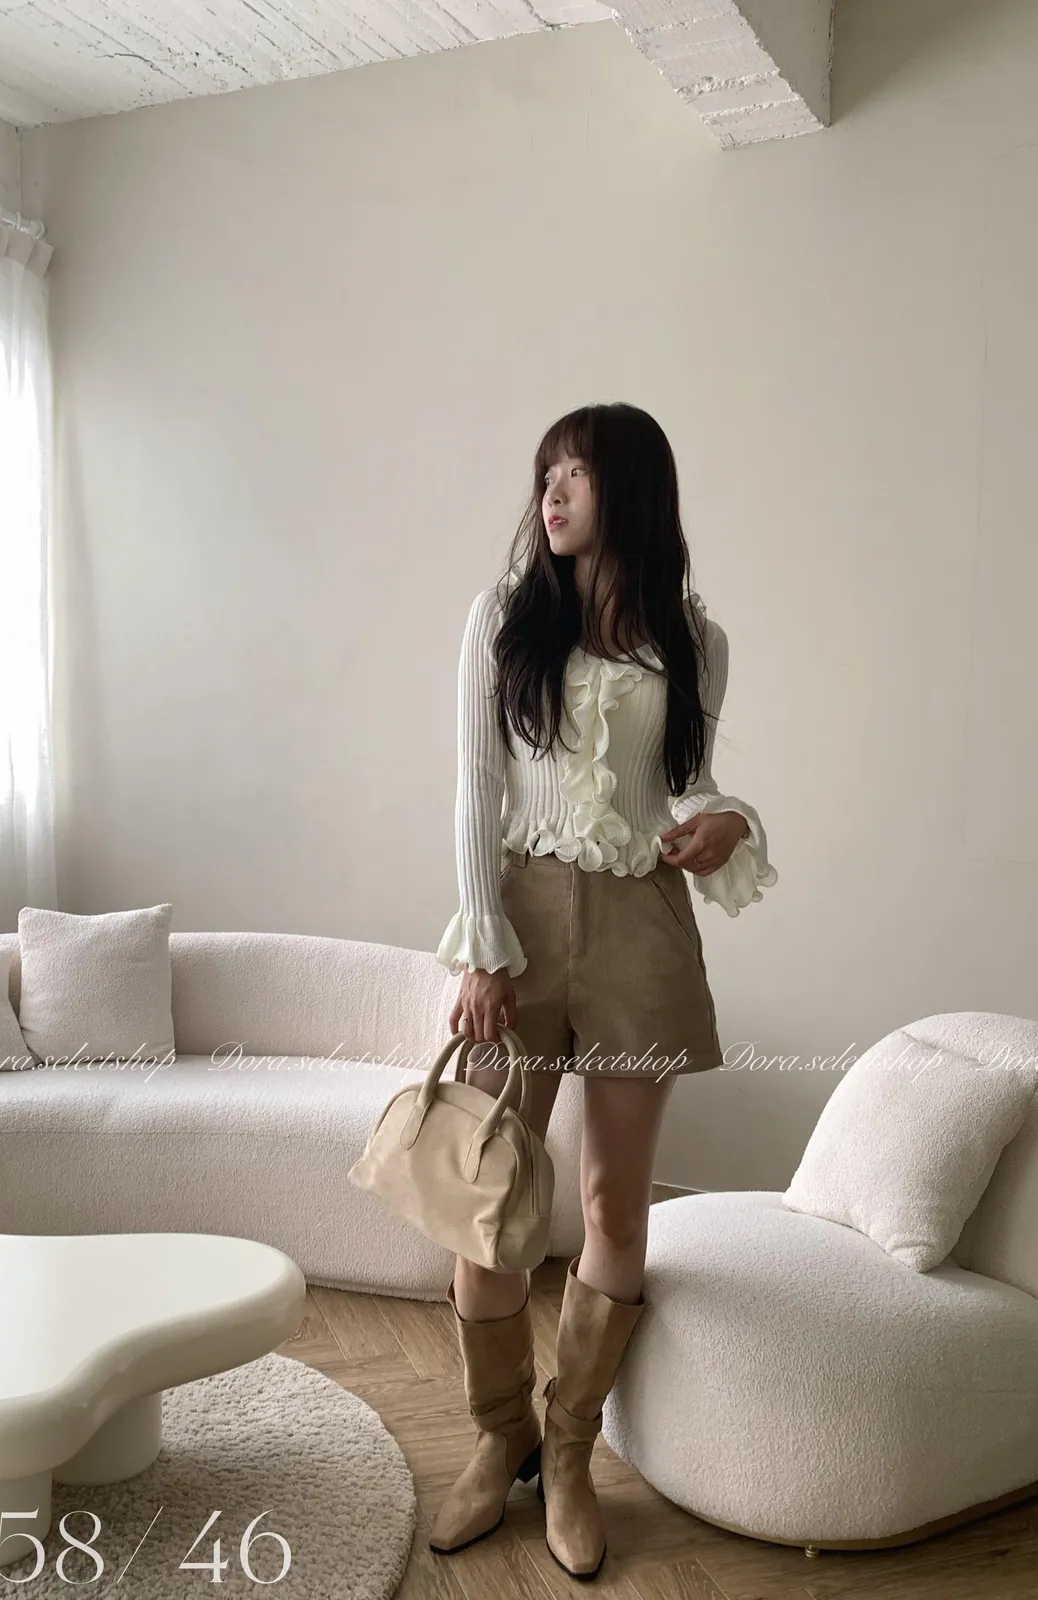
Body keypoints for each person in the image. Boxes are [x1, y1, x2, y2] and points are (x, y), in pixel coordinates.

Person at [429, 401, 777, 1581]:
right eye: (546, 474)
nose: (552, 493)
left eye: (575, 473)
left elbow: (689, 781)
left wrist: (727, 823)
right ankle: (501, 1439)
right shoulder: (502, 618)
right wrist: (481, 945)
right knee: (490, 1204)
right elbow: (476, 786)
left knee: (612, 1208)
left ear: (631, 489)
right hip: (519, 925)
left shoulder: (695, 638)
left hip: (641, 924)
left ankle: (571, 1452)